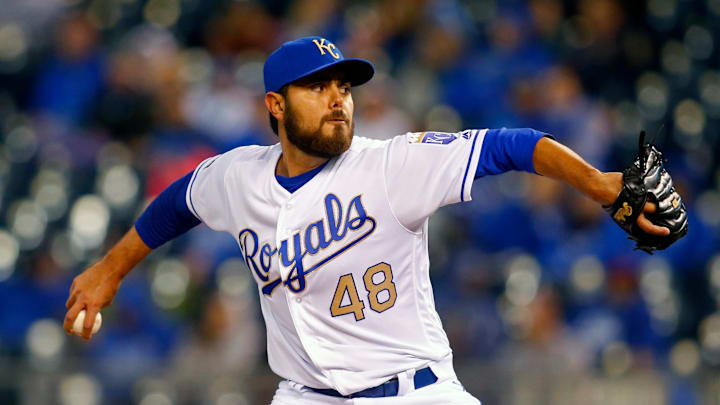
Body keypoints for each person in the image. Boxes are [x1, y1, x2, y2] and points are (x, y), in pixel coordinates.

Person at [64, 37, 672, 404]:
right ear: (275, 105)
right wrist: (110, 269)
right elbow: (178, 203)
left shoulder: (390, 165)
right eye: (317, 87)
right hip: (305, 396)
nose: (337, 98)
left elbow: (507, 145)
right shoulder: (237, 176)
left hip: (415, 392)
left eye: (343, 87)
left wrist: (597, 183)